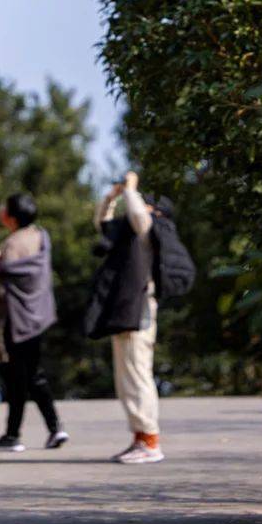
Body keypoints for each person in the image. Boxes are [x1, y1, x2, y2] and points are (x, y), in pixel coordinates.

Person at [85, 170, 170, 464]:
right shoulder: (128, 235)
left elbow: (139, 217)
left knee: (137, 375)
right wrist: (111, 197)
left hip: (140, 312)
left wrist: (131, 190)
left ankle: (150, 440)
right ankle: (139, 438)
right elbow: (102, 224)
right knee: (125, 379)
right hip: (124, 311)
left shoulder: (151, 229)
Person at [0, 192, 69, 452]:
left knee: (22, 377)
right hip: (40, 315)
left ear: (10, 217)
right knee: (29, 375)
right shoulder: (41, 236)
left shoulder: (12, 244)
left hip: (18, 319)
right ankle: (43, 430)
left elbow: (1, 285)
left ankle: (28, 433)